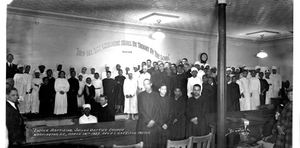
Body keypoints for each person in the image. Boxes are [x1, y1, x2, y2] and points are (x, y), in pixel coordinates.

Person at [136, 79, 159, 148]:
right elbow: (140, 109)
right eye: (144, 84)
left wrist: (153, 120)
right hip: (143, 122)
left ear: (151, 84)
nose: (146, 86)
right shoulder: (141, 95)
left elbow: (157, 109)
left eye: (147, 84)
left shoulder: (156, 95)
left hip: (154, 122)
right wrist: (148, 120)